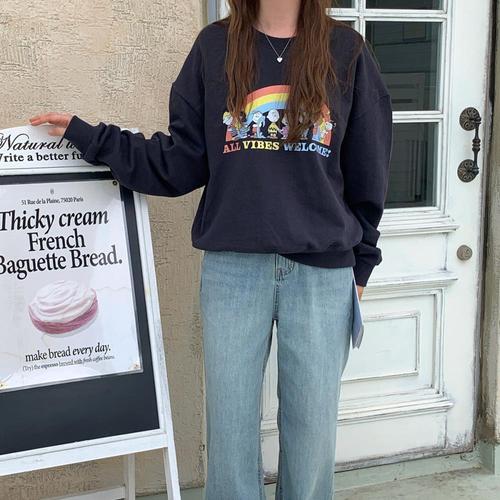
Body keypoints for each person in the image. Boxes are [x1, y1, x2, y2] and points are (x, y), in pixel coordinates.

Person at [29, 0, 393, 498]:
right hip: (233, 271)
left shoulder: (347, 51)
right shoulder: (215, 47)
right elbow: (180, 160)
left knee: (312, 434)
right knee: (229, 432)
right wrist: (94, 139)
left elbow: (369, 167)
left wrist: (362, 264)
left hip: (321, 274)